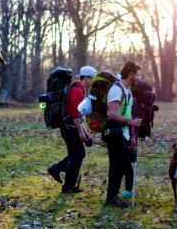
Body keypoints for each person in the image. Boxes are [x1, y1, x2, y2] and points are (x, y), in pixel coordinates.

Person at [48, 66, 97, 193]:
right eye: (92, 78)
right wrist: (80, 131)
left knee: (77, 155)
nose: (93, 81)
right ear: (86, 77)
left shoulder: (79, 89)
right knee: (77, 156)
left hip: (71, 127)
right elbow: (74, 112)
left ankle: (56, 169)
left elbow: (80, 115)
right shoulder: (76, 90)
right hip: (70, 128)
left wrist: (85, 132)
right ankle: (68, 186)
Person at [104, 61, 143, 207]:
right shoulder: (116, 90)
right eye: (137, 75)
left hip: (124, 133)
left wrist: (132, 135)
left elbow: (128, 113)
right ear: (131, 74)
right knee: (116, 166)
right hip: (114, 132)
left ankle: (113, 196)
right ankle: (111, 198)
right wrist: (130, 122)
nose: (138, 78)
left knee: (122, 166)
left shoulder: (128, 91)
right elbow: (112, 114)